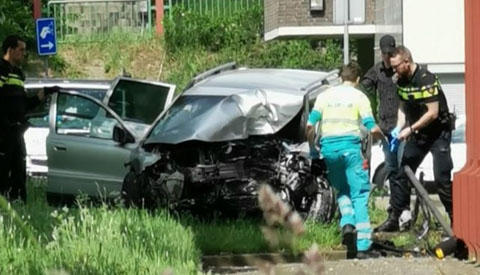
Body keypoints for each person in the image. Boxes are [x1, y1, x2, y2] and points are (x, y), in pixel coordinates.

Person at [306, 62, 383, 259]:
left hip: (329, 151)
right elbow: (371, 127)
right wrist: (383, 138)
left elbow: (309, 126)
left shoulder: (324, 96)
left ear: (340, 78)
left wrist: (314, 152)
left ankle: (347, 223)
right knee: (360, 193)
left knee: (342, 189)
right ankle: (364, 245)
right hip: (350, 149)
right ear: (357, 80)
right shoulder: (360, 97)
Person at [375, 46, 455, 232]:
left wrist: (410, 129)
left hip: (438, 133)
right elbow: (403, 107)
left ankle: (454, 219)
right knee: (402, 172)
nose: (393, 70)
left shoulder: (426, 78)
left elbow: (433, 113)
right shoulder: (401, 80)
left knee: (442, 178)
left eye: (396, 66)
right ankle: (397, 216)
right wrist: (398, 128)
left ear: (407, 61)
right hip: (420, 134)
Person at [0, 35, 55, 202]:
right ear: (10, 51)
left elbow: (24, 104)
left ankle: (18, 203)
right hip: (3, 132)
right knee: (2, 171)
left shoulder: (17, 74)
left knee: (19, 169)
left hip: (16, 131)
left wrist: (44, 93)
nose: (24, 54)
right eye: (21, 50)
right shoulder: (1, 70)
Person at [360, 34, 402, 182]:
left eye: (390, 53)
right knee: (390, 166)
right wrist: (370, 109)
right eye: (385, 53)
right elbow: (363, 88)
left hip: (401, 125)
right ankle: (395, 201)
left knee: (402, 165)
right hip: (384, 126)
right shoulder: (377, 70)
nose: (387, 57)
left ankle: (401, 199)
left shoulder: (400, 68)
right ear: (381, 53)